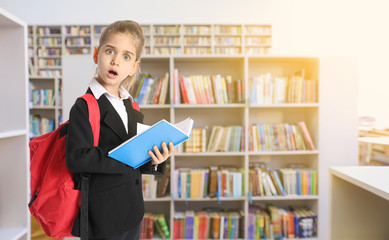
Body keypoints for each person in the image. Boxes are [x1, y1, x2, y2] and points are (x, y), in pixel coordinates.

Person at [65, 20, 174, 240]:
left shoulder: (131, 106)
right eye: (110, 51)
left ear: (134, 66)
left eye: (126, 56)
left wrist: (155, 160)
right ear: (96, 55)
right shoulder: (85, 106)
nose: (115, 60)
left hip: (132, 212)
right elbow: (76, 158)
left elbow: (135, 160)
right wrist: (123, 152)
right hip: (103, 216)